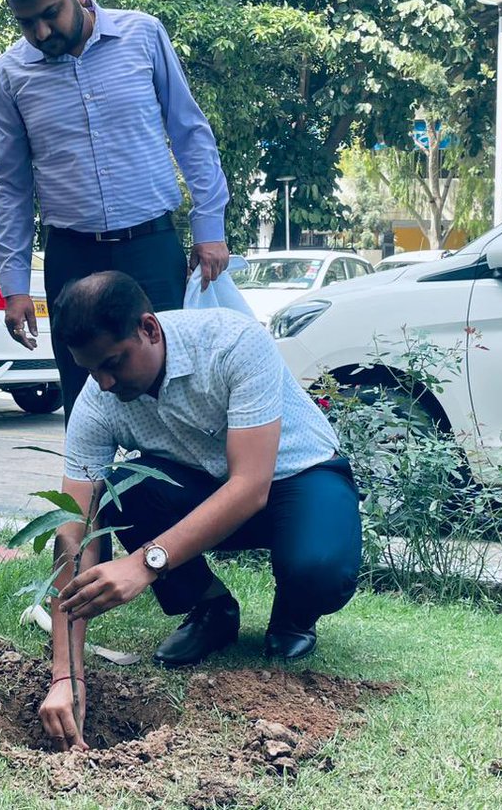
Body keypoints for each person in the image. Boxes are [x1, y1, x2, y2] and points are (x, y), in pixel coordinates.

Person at [37, 271, 362, 749]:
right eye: (91, 370)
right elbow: (76, 530)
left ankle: (294, 615)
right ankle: (211, 610)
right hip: (201, 489)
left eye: (113, 363)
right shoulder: (99, 400)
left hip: (296, 479)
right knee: (126, 489)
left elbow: (250, 485)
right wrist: (67, 677)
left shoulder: (232, 344)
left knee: (318, 567)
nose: (104, 383)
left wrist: (143, 562)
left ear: (148, 329)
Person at [0, 0, 232, 419]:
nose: (40, 31)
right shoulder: (10, 76)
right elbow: (11, 188)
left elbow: (189, 132)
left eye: (50, 12)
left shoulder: (143, 35)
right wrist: (14, 287)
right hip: (72, 256)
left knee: (174, 391)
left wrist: (210, 228)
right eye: (26, 21)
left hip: (152, 248)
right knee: (86, 403)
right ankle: (89, 495)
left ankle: (178, 497)